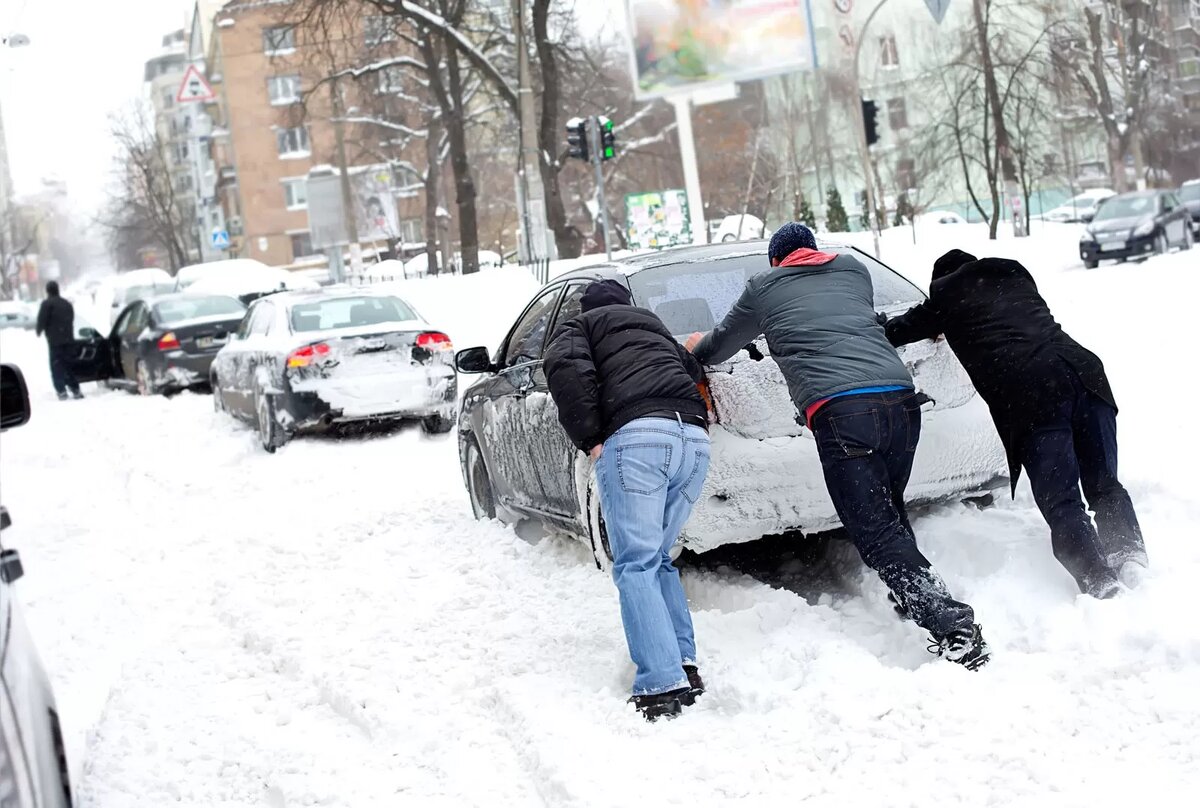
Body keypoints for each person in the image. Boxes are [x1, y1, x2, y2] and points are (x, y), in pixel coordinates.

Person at [685, 223, 989, 669]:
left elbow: (718, 347)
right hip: (902, 404)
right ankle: (912, 594)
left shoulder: (763, 287)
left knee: (874, 531)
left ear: (776, 260)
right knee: (888, 507)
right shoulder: (853, 270)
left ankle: (951, 625)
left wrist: (697, 346)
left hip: (844, 414)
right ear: (814, 251)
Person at [885, 249, 1145, 598]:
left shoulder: (945, 298)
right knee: (1104, 483)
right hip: (1085, 374)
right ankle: (1128, 555)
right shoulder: (1014, 273)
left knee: (1062, 499)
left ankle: (1099, 580)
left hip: (1035, 393)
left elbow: (897, 330)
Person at [544, 279, 711, 721]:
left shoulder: (579, 327)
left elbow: (564, 370)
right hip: (693, 440)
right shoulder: (654, 326)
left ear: (586, 307)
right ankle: (684, 664)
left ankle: (660, 683)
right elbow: (693, 371)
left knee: (635, 562)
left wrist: (590, 437)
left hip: (638, 439)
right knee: (658, 558)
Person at [35, 281, 83, 400]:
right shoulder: (66, 303)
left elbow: (42, 320)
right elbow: (71, 319)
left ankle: (61, 390)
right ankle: (75, 388)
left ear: (48, 291)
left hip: (55, 342)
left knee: (56, 366)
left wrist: (39, 330)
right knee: (68, 365)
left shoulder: (47, 304)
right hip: (68, 340)